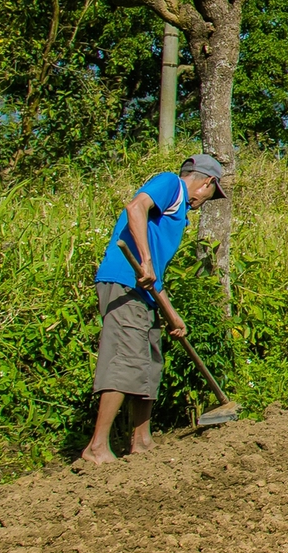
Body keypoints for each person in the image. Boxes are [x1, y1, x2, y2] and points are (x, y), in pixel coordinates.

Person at [78, 154, 227, 465]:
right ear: (208, 182)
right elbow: (135, 208)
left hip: (143, 290)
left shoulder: (177, 213)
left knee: (148, 361)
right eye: (213, 193)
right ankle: (96, 447)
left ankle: (142, 441)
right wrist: (144, 260)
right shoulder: (171, 184)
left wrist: (172, 315)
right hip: (123, 282)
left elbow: (153, 275)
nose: (207, 200)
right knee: (125, 359)